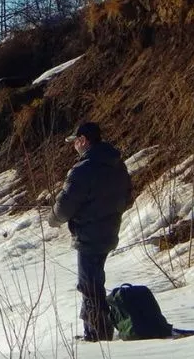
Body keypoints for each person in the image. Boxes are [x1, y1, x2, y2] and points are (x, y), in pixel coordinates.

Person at [48, 122, 133, 341]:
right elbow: (127, 198)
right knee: (94, 282)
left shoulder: (82, 169)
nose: (74, 145)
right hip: (110, 230)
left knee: (89, 286)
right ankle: (95, 331)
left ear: (84, 140)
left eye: (75, 141)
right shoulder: (116, 164)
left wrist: (53, 219)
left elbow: (65, 207)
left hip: (88, 235)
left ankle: (97, 335)